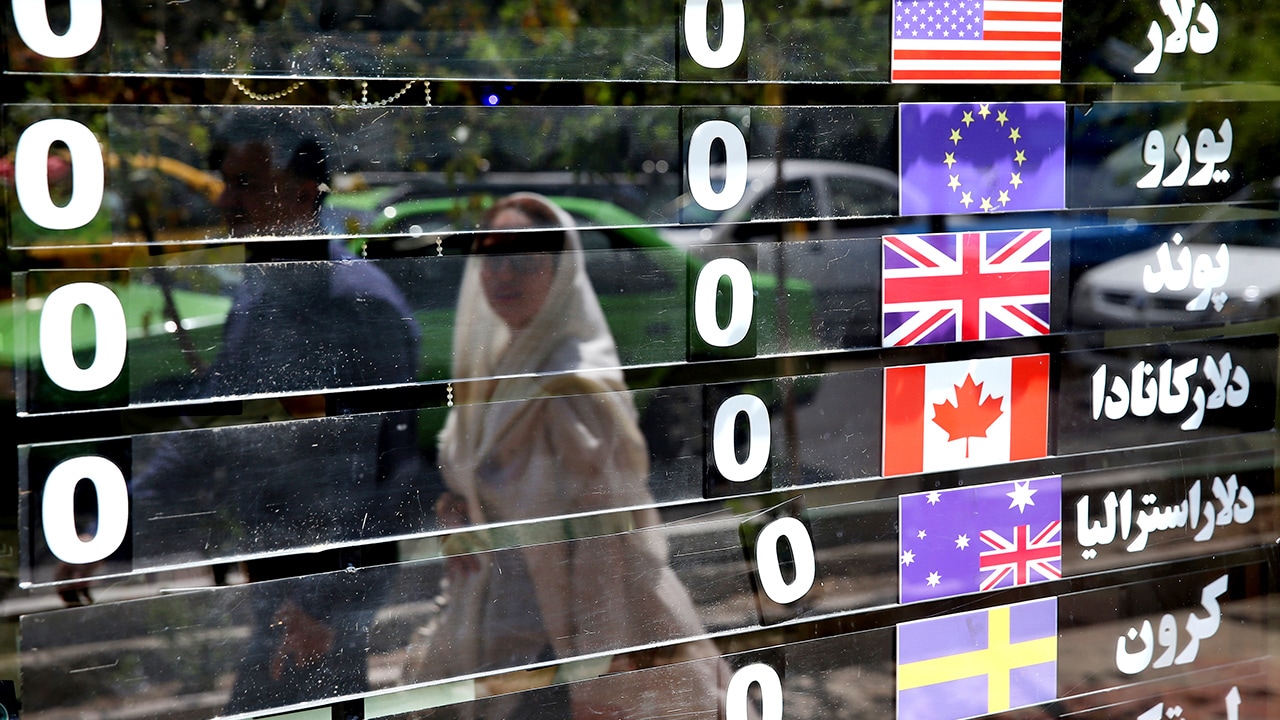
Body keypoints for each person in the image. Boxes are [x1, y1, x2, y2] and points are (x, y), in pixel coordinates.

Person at [136, 109, 422, 715]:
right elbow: (217, 420)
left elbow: (391, 478)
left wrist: (327, 608)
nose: (224, 200)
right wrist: (112, 521)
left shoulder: (360, 304)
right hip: (278, 590)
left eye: (245, 183)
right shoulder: (262, 293)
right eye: (225, 181)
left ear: (301, 190)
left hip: (319, 607)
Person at [431, 193, 722, 719]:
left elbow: (603, 547)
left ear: (560, 270)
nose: (503, 274)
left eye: (523, 259)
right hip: (500, 635)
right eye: (491, 257)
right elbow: (479, 478)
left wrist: (597, 676)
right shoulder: (499, 361)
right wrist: (457, 509)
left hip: (560, 650)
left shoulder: (571, 385)